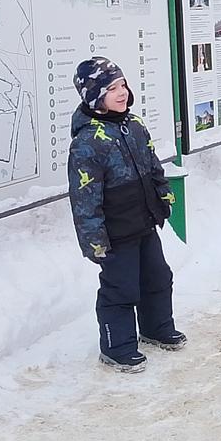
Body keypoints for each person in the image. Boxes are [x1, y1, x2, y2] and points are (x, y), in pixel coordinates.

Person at [68, 56, 185, 373]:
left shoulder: (134, 126)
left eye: (122, 85)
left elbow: (153, 165)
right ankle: (117, 347)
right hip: (116, 233)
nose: (122, 92)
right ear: (94, 95)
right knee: (121, 289)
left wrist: (162, 195)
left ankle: (156, 327)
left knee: (158, 277)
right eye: (111, 88)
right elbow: (84, 197)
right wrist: (93, 239)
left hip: (145, 222)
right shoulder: (87, 143)